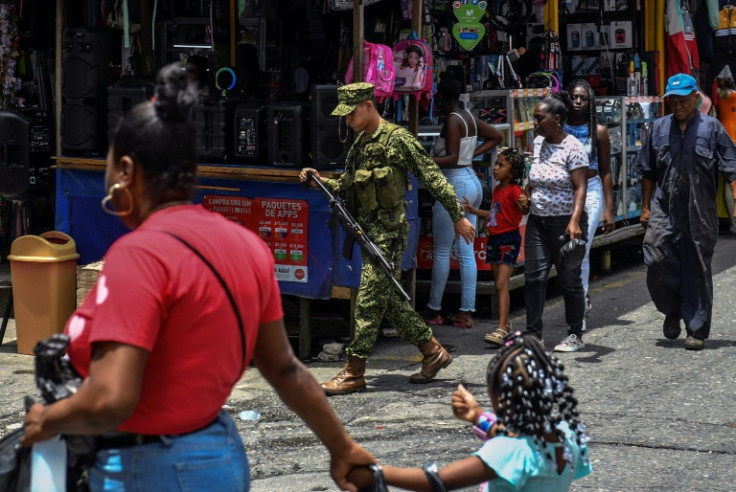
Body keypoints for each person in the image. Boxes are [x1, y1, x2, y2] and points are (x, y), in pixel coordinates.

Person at [20, 63, 374, 492]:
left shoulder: (138, 255)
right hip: (220, 457)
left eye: (110, 167)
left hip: (146, 469)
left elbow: (111, 400)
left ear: (127, 171)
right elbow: (286, 370)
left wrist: (45, 419)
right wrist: (341, 448)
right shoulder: (247, 247)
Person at [299, 82, 476, 395]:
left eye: (351, 113)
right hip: (365, 230)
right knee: (390, 300)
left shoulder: (397, 139)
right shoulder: (360, 144)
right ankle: (433, 352)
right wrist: (319, 180)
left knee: (368, 296)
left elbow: (432, 177)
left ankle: (354, 371)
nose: (348, 120)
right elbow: (349, 186)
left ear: (368, 105)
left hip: (388, 233)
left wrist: (457, 217)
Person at [346, 332, 592, 491]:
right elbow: (519, 437)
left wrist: (378, 473)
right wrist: (476, 416)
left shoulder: (507, 452)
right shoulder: (566, 436)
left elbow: (436, 481)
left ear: (500, 399)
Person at [634, 73, 736, 350]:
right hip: (664, 208)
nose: (677, 105)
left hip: (699, 211)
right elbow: (648, 171)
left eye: (683, 100)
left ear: (695, 98)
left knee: (697, 269)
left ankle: (697, 330)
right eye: (673, 101)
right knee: (656, 258)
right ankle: (673, 308)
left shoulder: (712, 128)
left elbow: (731, 166)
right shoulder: (658, 128)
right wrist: (645, 208)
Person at [422, 72, 504, 329]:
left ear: (442, 97)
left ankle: (434, 309)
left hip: (455, 184)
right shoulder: (469, 116)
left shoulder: (451, 119)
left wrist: (423, 161)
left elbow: (452, 157)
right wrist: (472, 155)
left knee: (443, 251)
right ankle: (466, 311)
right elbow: (496, 137)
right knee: (466, 250)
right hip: (471, 182)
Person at [524, 92, 589, 352]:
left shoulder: (573, 147)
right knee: (534, 279)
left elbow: (581, 187)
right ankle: (533, 335)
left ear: (557, 119)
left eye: (540, 118)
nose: (535, 123)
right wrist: (526, 195)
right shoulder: (538, 143)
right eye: (534, 119)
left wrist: (574, 221)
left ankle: (575, 334)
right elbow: (536, 177)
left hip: (564, 224)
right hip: (538, 221)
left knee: (569, 280)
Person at [564, 79, 616, 323]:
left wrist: (610, 210)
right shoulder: (559, 127)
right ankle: (579, 297)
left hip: (592, 190)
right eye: (574, 96)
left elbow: (606, 171)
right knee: (567, 250)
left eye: (582, 98)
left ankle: (579, 305)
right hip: (566, 192)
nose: (577, 101)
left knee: (580, 249)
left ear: (590, 102)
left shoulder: (599, 132)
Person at [462, 148, 527, 344]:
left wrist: (526, 203)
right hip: (495, 239)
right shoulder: (498, 190)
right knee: (498, 285)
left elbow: (524, 206)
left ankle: (501, 328)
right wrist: (474, 210)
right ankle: (504, 324)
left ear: (513, 172)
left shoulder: (515, 191)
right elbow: (493, 214)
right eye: (496, 164)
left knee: (501, 284)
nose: (495, 168)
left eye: (501, 165)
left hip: (508, 240)